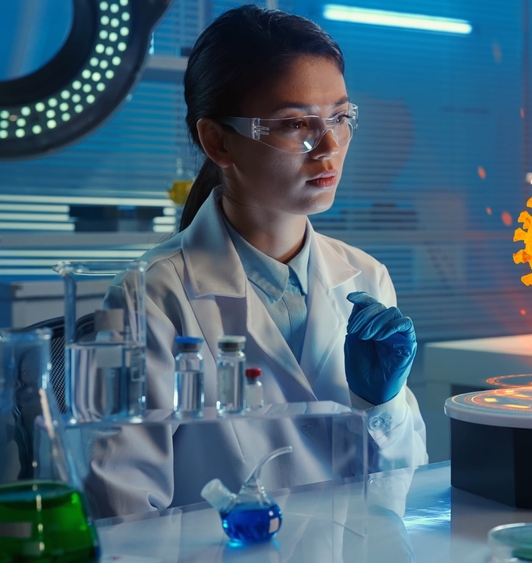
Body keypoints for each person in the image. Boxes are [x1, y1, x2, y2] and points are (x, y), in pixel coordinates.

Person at [90, 5, 427, 516]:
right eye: (296, 123)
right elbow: (123, 510)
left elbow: (407, 483)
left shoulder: (366, 278)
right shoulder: (152, 295)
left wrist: (382, 406)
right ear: (218, 140)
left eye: (340, 116)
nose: (330, 145)